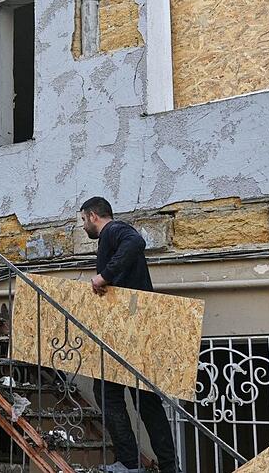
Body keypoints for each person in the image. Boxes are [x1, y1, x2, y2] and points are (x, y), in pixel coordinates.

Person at [78, 196, 177, 473]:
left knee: (108, 394)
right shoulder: (111, 235)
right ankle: (169, 467)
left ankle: (130, 462)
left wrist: (104, 276)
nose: (83, 225)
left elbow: (136, 242)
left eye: (83, 219)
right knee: (146, 401)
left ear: (94, 216)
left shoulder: (114, 230)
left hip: (127, 328)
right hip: (134, 327)